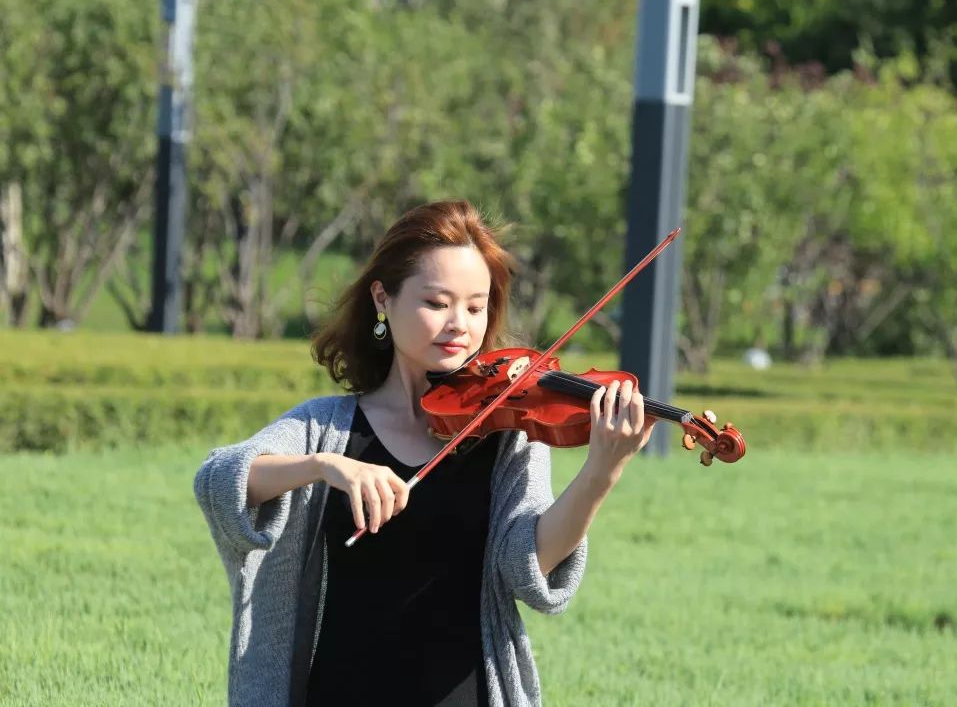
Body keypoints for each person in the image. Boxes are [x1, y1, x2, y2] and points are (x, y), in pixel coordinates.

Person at [194, 199, 654, 707]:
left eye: (476, 307)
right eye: (437, 303)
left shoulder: (506, 435)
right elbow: (219, 479)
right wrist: (326, 466)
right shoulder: (325, 427)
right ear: (382, 299)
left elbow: (527, 568)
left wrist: (602, 470)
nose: (460, 324)